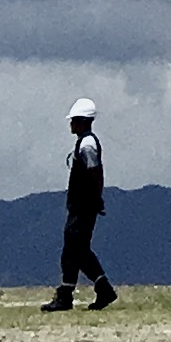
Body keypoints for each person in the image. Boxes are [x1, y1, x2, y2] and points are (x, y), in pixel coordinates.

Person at [43, 96, 116, 311]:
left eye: (74, 120)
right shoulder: (84, 143)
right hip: (81, 206)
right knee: (79, 250)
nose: (71, 124)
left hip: (83, 207)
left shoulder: (87, 145)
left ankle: (67, 295)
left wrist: (95, 198)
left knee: (72, 250)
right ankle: (102, 289)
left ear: (83, 121)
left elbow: (95, 173)